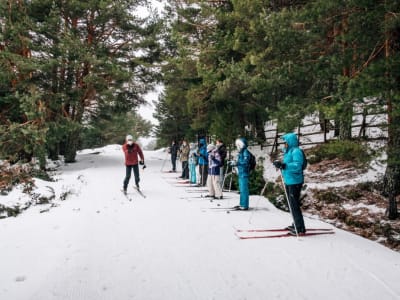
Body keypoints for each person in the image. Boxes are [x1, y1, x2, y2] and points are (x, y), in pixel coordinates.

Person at [273, 132, 306, 236]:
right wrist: (280, 164)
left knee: (294, 204)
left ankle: (300, 228)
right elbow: (286, 164)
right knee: (291, 204)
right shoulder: (288, 151)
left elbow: (297, 165)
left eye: (286, 141)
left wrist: (284, 165)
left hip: (295, 181)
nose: (284, 143)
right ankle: (295, 223)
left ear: (290, 142)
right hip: (289, 180)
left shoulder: (296, 151)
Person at [231, 137, 251, 210]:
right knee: (241, 190)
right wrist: (235, 163)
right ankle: (242, 203)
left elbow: (245, 163)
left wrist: (237, 163)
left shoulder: (245, 152)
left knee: (244, 189)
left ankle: (245, 205)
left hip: (244, 173)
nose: (237, 146)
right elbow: (240, 162)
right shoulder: (241, 152)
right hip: (241, 172)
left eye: (238, 145)